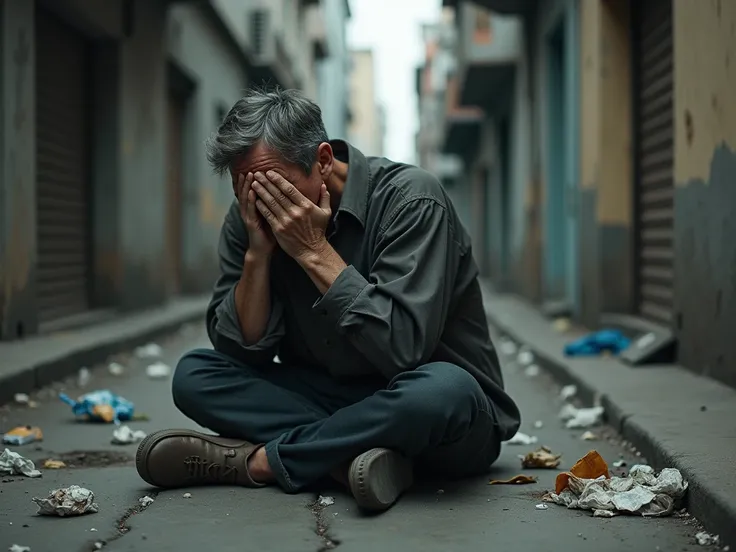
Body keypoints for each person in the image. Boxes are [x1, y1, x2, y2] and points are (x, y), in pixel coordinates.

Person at [135, 87, 521, 511]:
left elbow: (404, 348)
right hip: (333, 398)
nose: (262, 202)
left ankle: (260, 462)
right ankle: (351, 457)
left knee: (448, 389)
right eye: (245, 187)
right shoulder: (248, 216)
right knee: (195, 373)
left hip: (433, 414)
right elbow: (241, 354)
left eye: (274, 186)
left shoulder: (411, 199)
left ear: (322, 161)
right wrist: (259, 257)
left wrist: (312, 251)